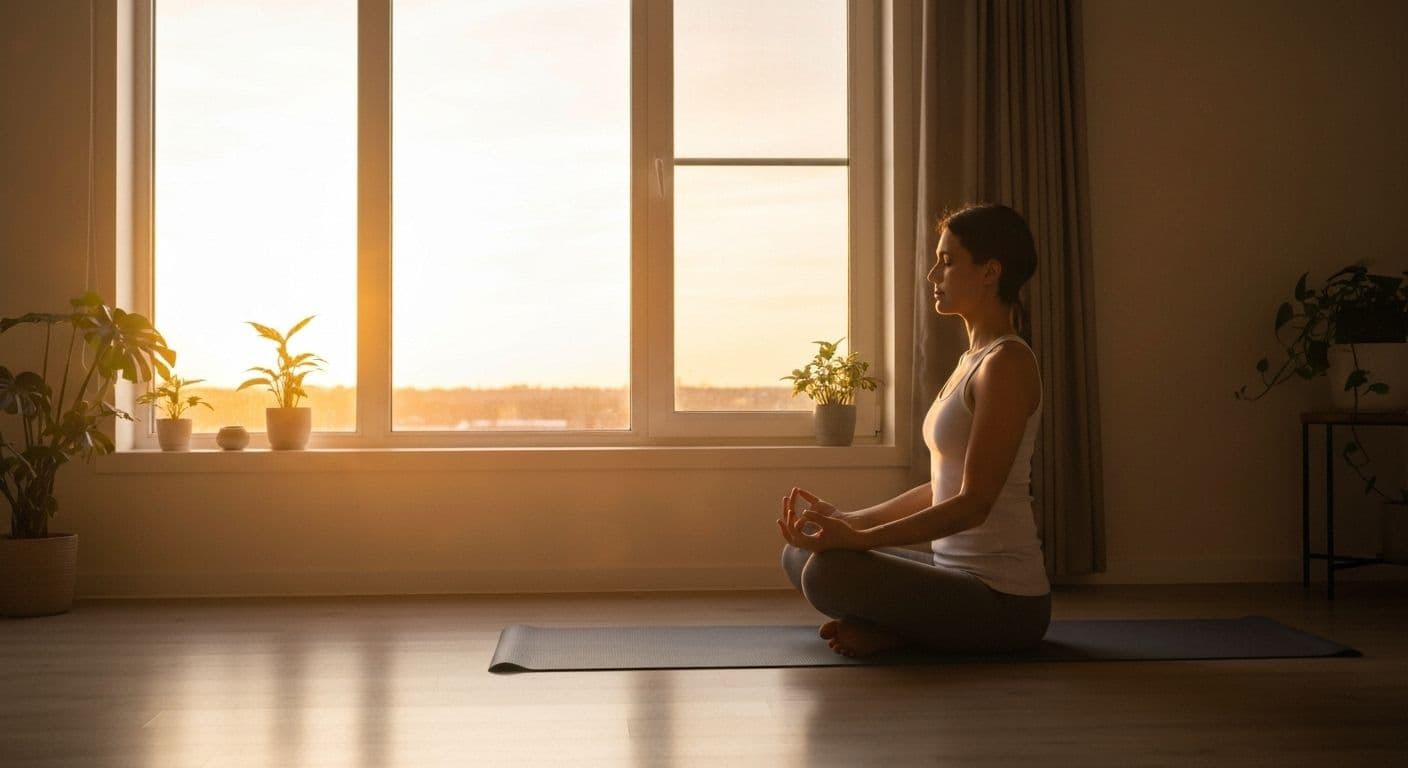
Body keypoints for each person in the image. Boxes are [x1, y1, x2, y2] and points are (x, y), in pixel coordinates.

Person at [777, 202, 1050, 658]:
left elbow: (974, 503)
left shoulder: (1007, 364)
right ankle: (900, 629)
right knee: (802, 555)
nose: (932, 275)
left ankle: (900, 632)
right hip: (954, 576)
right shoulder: (972, 360)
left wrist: (861, 541)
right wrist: (850, 520)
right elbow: (943, 487)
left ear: (990, 272)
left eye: (947, 262)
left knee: (828, 574)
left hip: (1004, 601)